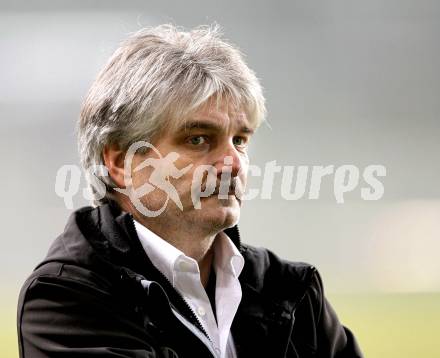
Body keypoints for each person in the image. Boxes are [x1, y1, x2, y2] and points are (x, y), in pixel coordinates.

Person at [17, 24, 363, 358]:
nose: (233, 164)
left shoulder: (290, 290)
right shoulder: (66, 299)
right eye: (198, 139)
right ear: (121, 163)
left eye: (240, 140)